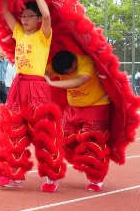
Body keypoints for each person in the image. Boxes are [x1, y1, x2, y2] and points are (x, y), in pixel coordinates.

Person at [0, 0, 65, 192]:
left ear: (38, 19)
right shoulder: (19, 32)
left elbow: (47, 14)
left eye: (29, 16)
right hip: (18, 85)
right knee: (14, 129)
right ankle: (14, 175)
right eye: (23, 16)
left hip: (37, 86)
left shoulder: (44, 35)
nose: (24, 20)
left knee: (42, 130)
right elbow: (6, 11)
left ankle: (52, 177)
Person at [46, 50, 113, 192]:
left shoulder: (86, 62)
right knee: (60, 140)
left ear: (75, 61)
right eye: (63, 73)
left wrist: (52, 83)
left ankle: (96, 179)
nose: (66, 73)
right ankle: (52, 176)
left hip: (96, 107)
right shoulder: (58, 63)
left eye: (69, 71)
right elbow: (44, 73)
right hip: (73, 108)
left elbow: (79, 81)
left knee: (93, 144)